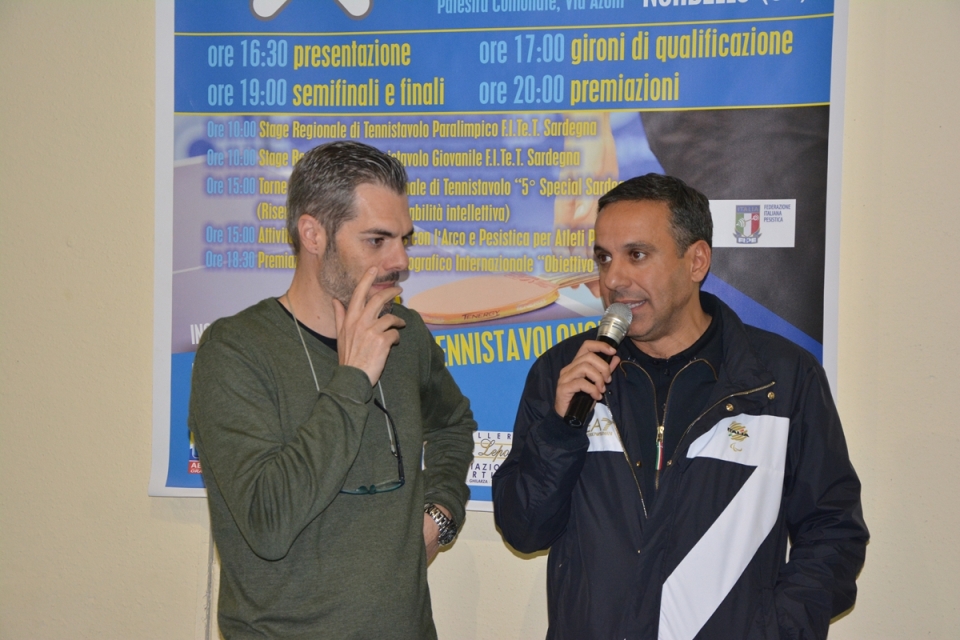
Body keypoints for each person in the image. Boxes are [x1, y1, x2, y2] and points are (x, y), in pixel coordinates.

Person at [493, 174, 868, 640]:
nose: (613, 279)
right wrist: (560, 430)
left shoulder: (781, 379)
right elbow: (524, 529)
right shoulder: (562, 372)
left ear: (696, 261)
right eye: (604, 257)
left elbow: (833, 530)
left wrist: (777, 628)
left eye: (637, 255)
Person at [189, 141, 477, 639]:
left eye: (404, 239)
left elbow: (453, 424)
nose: (400, 260)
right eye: (377, 240)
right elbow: (268, 523)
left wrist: (441, 512)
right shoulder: (235, 350)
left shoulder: (405, 333)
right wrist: (354, 377)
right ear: (313, 234)